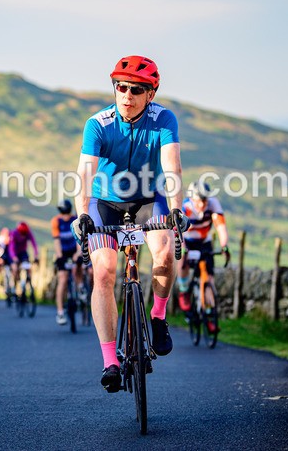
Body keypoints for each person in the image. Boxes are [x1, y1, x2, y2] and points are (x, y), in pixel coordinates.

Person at [71, 54, 188, 393]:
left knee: (165, 254)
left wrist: (177, 208)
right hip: (102, 202)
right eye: (120, 87)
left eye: (137, 89)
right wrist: (82, 214)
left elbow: (172, 167)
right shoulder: (98, 123)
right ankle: (110, 361)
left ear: (151, 93)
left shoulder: (163, 119)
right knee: (105, 271)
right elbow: (84, 173)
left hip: (148, 199)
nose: (126, 95)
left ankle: (159, 316)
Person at [177, 180, 230, 333]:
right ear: (193, 199)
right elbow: (179, 233)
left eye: (205, 200)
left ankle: (209, 313)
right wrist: (184, 249)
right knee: (182, 263)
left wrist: (224, 246)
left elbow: (221, 227)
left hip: (204, 242)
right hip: (187, 240)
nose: (202, 204)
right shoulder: (185, 207)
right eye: (199, 200)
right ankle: (184, 290)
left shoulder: (214, 204)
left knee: (209, 278)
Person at [52, 199, 82, 326]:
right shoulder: (55, 221)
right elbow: (56, 240)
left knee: (78, 267)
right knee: (63, 279)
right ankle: (60, 312)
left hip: (74, 250)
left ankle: (80, 289)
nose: (65, 216)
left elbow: (79, 239)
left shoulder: (75, 220)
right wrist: (59, 256)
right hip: (63, 252)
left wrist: (78, 253)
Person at [8, 221, 39, 290]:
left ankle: (28, 283)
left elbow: (34, 244)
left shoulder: (28, 233)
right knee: (15, 269)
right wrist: (14, 257)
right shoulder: (14, 233)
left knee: (28, 267)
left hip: (23, 252)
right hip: (14, 253)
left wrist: (36, 255)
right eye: (22, 234)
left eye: (24, 234)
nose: (23, 236)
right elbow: (11, 248)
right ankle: (13, 286)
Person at [0, 227, 12, 299]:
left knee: (11, 270)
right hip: (0, 255)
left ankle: (11, 287)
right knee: (0, 266)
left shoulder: (11, 239)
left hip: (8, 255)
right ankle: (0, 280)